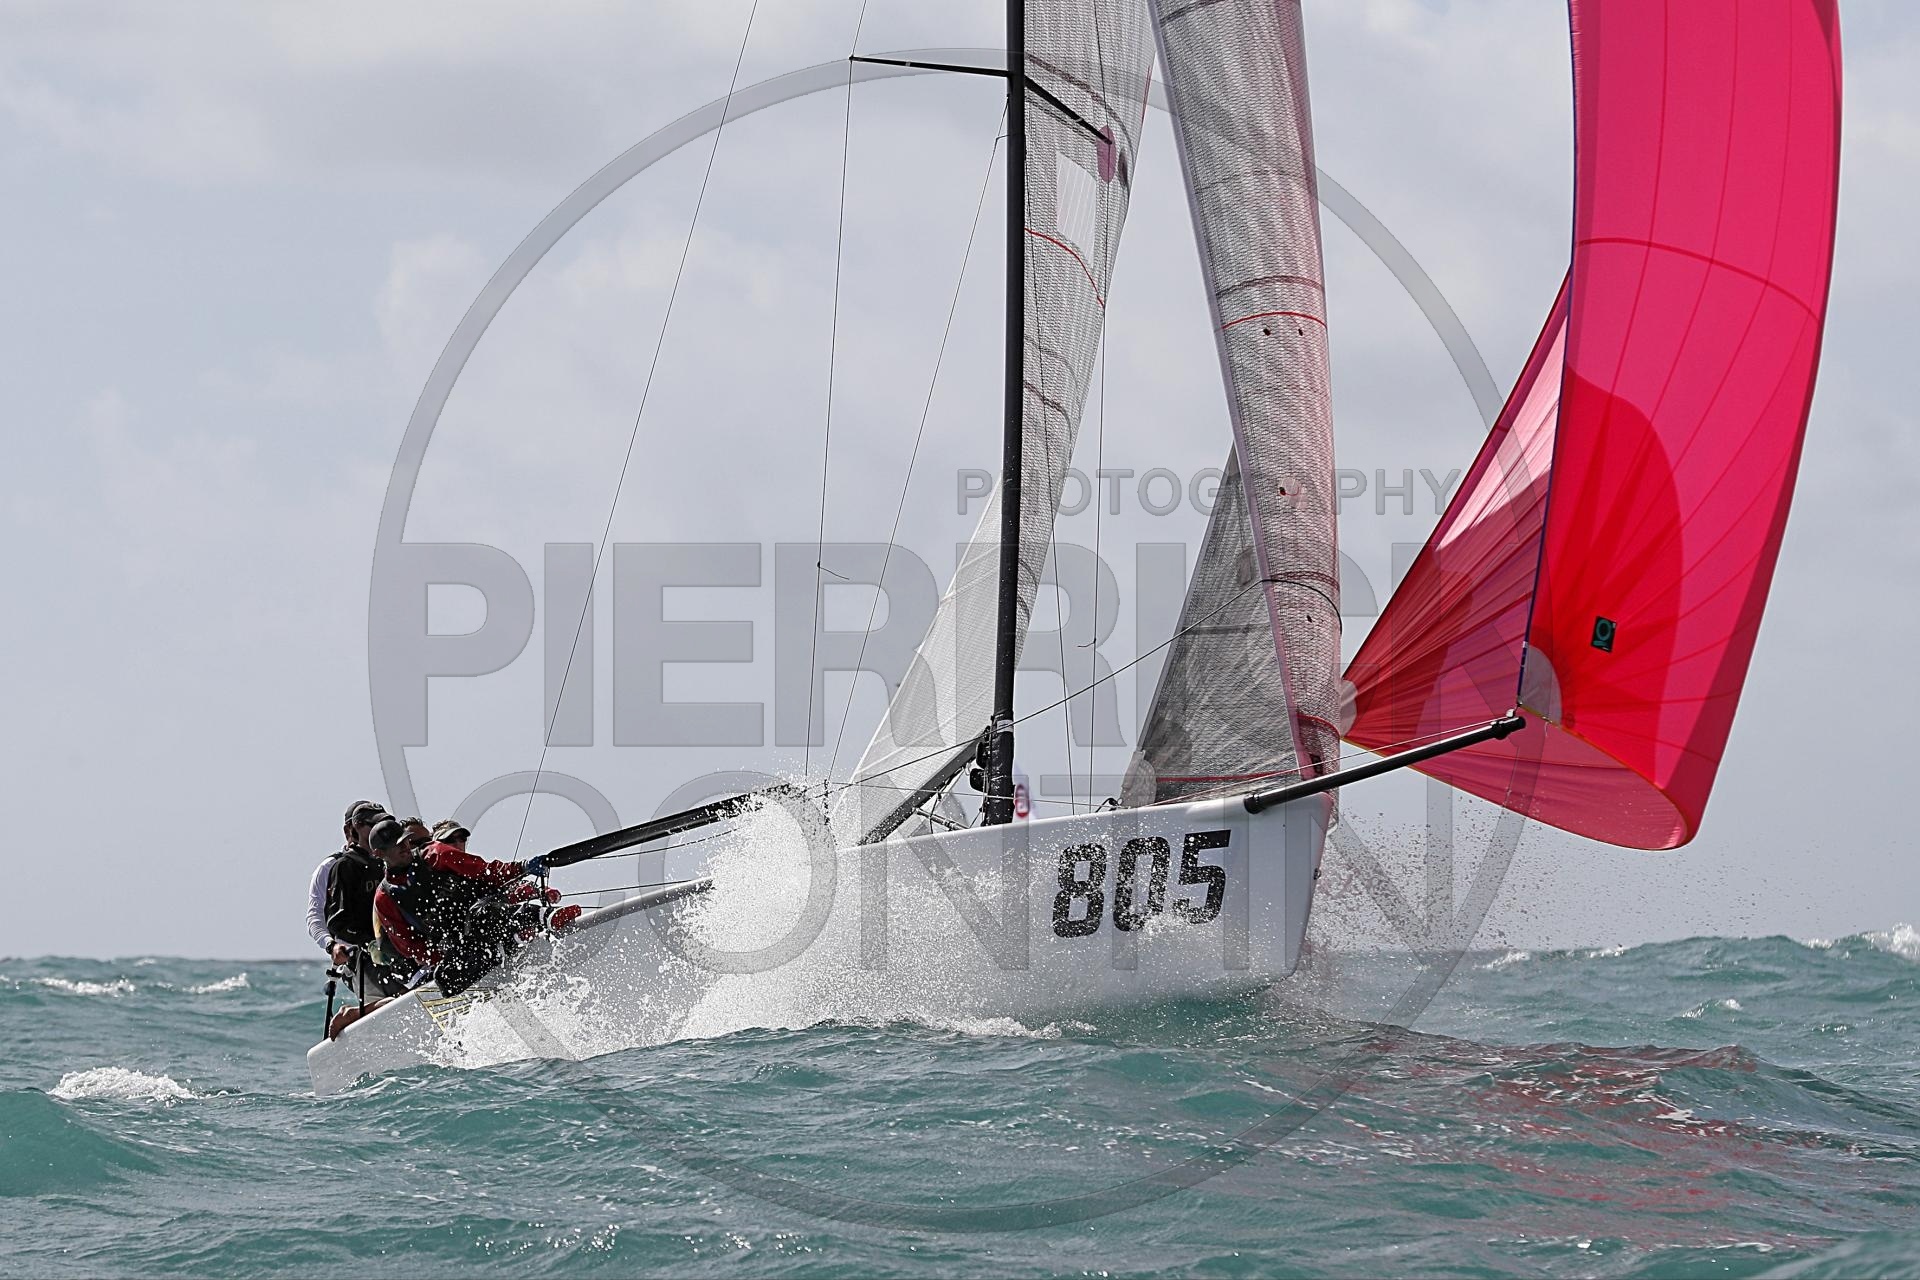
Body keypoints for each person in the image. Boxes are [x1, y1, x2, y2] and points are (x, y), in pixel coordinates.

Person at [371, 819, 580, 997]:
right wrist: (445, 955)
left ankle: (545, 916)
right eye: (396, 846)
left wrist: (523, 867)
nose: (405, 847)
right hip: (458, 942)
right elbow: (409, 945)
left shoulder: (434, 854)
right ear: (379, 853)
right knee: (445, 980)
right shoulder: (384, 898)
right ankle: (504, 949)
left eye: (405, 841)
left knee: (482, 915)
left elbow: (486, 872)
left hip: (484, 913)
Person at [307, 800, 411, 1001]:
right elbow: (317, 917)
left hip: (394, 948)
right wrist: (331, 945)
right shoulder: (335, 867)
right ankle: (350, 1014)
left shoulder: (390, 860)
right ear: (351, 829)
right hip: (359, 955)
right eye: (373, 825)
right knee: (395, 997)